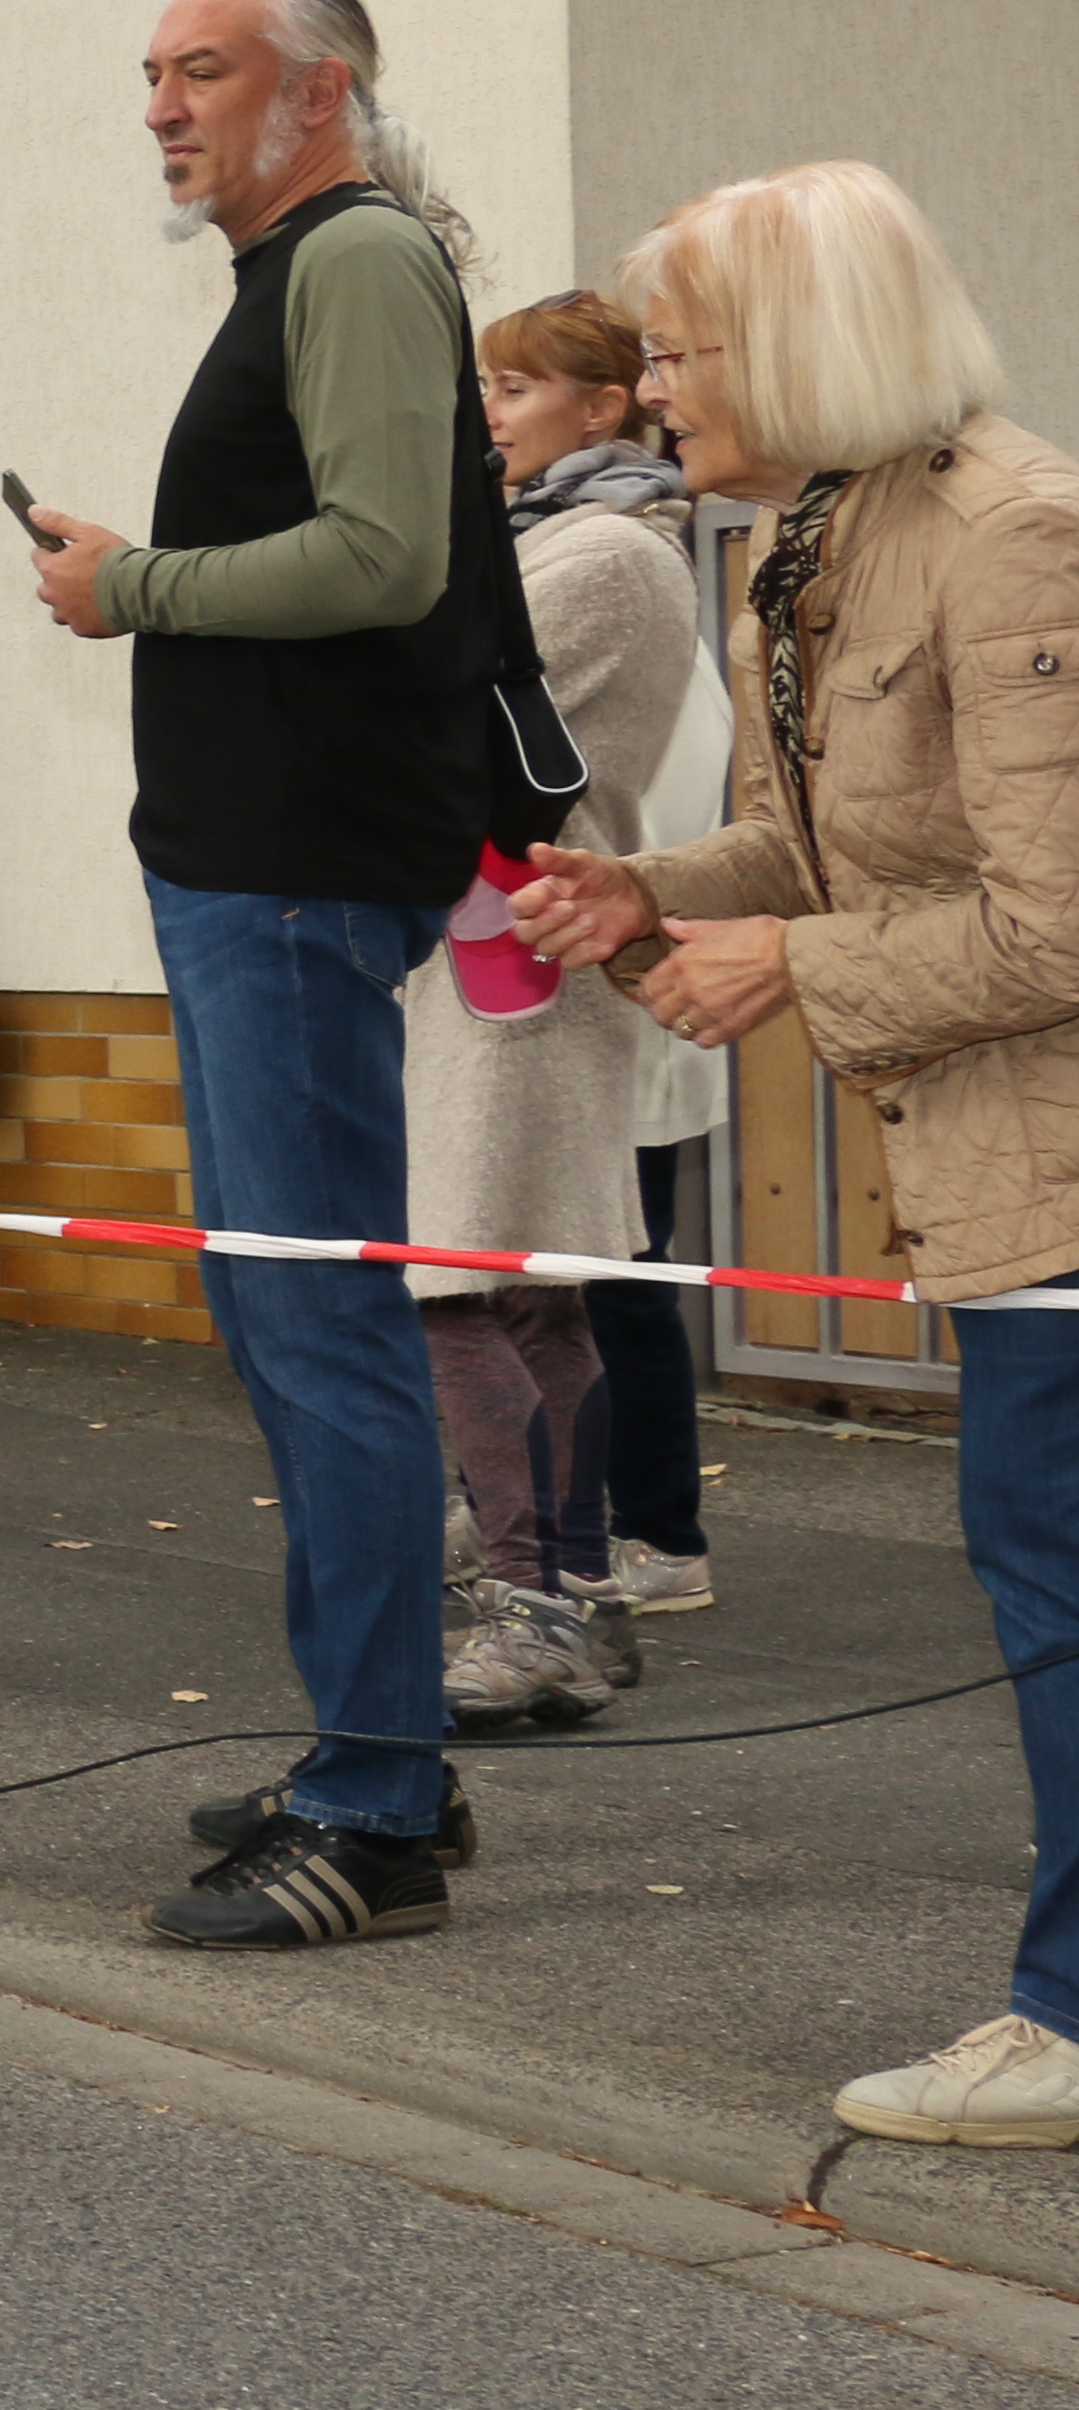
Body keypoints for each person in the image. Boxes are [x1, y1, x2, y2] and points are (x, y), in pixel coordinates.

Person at [509, 162, 1079, 2141]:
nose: (650, 387)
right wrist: (646, 889)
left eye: (675, 351)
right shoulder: (807, 538)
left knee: (1055, 1581)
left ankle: (1064, 2021)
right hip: (996, 1168)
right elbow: (810, 840)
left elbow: (1054, 917)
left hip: (1055, 1176)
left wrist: (786, 961)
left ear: (797, 348)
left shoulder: (1011, 535)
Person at [22, 0, 516, 1948]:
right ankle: (368, 1745)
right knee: (281, 1319)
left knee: (320, 1330)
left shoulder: (357, 255)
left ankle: (375, 1806)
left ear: (316, 92)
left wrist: (127, 583)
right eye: (148, 73)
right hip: (252, 869)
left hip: (298, 871)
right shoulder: (294, 267)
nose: (159, 107)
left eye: (200, 70)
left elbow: (385, 555)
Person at [405, 287, 699, 1732]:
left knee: (460, 1281)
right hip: (498, 951)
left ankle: (534, 1608)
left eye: (515, 387)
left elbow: (436, 711)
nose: (489, 411)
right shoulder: (552, 537)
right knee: (524, 1289)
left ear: (603, 404)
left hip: (513, 954)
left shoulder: (602, 554)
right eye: (485, 385)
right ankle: (567, 1593)